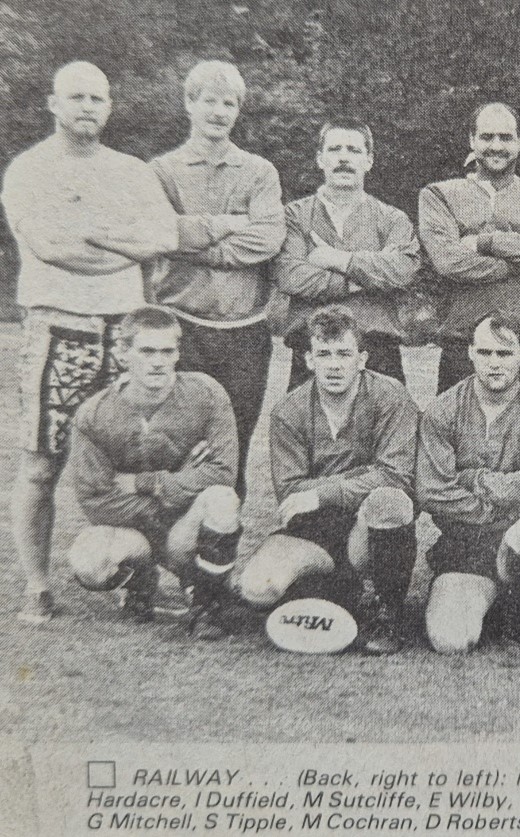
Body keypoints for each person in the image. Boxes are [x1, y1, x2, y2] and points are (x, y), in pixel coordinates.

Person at [2, 61, 179, 624]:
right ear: (53, 104)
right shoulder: (29, 169)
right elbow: (51, 247)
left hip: (123, 332)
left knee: (135, 458)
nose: (87, 107)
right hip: (59, 326)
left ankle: (135, 577)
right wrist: (121, 248)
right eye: (76, 97)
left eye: (97, 98)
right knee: (40, 463)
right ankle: (37, 587)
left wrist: (97, 241)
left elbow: (162, 237)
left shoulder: (130, 171)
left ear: (109, 106)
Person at [237, 307, 419, 655]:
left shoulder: (391, 397)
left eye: (343, 354)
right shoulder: (288, 411)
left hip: (366, 524)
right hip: (315, 529)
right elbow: (290, 492)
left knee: (391, 501)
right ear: (308, 360)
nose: (334, 365)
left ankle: (386, 611)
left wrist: (323, 492)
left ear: (362, 358)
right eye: (324, 354)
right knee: (258, 589)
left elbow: (397, 476)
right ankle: (336, 587)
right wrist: (364, 475)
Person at [148, 61, 286, 494]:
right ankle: (176, 553)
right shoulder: (161, 170)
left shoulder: (259, 171)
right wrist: (228, 222)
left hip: (245, 334)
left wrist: (201, 244)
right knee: (179, 448)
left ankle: (221, 555)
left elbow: (267, 239)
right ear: (190, 104)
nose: (220, 111)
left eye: (230, 103)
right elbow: (160, 233)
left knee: (234, 445)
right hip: (181, 328)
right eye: (210, 100)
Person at [66, 306, 241, 640]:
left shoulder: (206, 393)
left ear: (178, 353)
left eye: (167, 351)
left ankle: (206, 603)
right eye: (146, 351)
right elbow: (96, 500)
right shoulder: (94, 415)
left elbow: (222, 472)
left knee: (221, 500)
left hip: (184, 527)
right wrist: (182, 480)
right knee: (89, 563)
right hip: (136, 530)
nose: (158, 361)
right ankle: (141, 581)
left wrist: (146, 483)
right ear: (122, 353)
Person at [415, 313, 520, 654]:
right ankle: (485, 597)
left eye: (504, 353)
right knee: (451, 640)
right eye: (485, 353)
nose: (494, 364)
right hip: (464, 539)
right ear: (470, 353)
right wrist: (489, 509)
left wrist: (471, 479)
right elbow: (431, 491)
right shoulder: (442, 410)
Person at [419, 102, 520, 393]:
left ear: (519, 141)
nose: (496, 146)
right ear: (471, 140)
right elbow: (449, 261)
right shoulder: (438, 194)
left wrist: (483, 242)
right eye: (487, 137)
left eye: (505, 137)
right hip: (461, 348)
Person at [271, 119, 421, 389]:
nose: (343, 158)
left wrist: (337, 259)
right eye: (334, 149)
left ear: (369, 160)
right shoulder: (294, 215)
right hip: (312, 350)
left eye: (353, 150)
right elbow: (289, 274)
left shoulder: (392, 219)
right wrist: (358, 279)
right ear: (320, 158)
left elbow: (402, 270)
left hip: (377, 350)